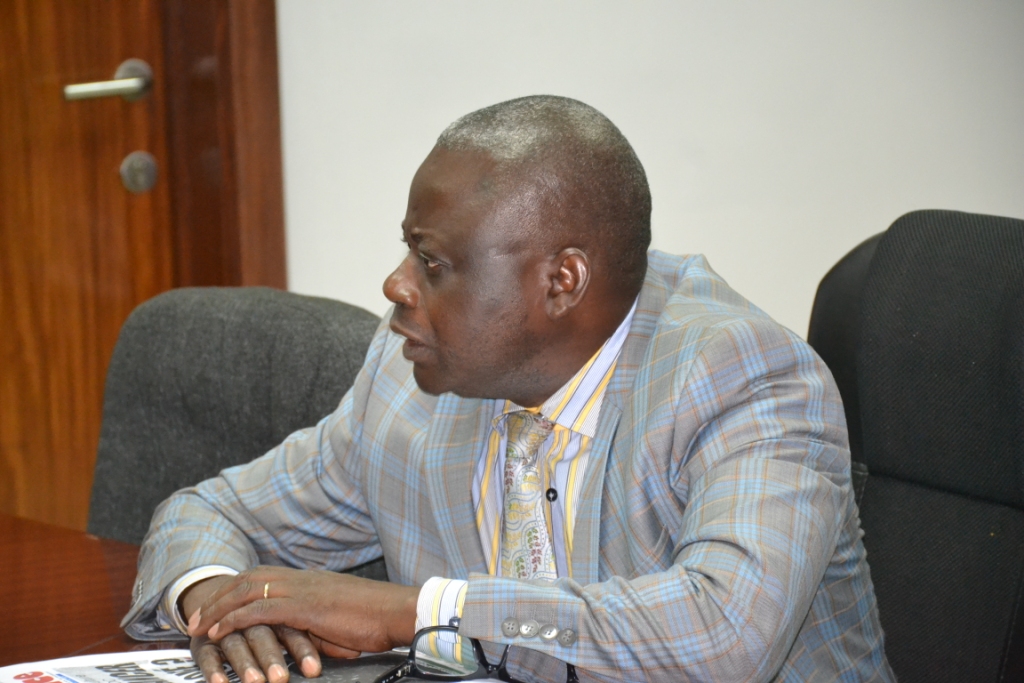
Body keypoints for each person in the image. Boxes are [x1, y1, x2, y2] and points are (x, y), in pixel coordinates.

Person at [124, 95, 893, 682]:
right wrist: (223, 605)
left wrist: (417, 612)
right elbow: (212, 510)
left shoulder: (743, 377)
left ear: (562, 280)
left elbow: (724, 632)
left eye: (433, 263)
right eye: (407, 250)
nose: (395, 285)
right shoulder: (411, 380)